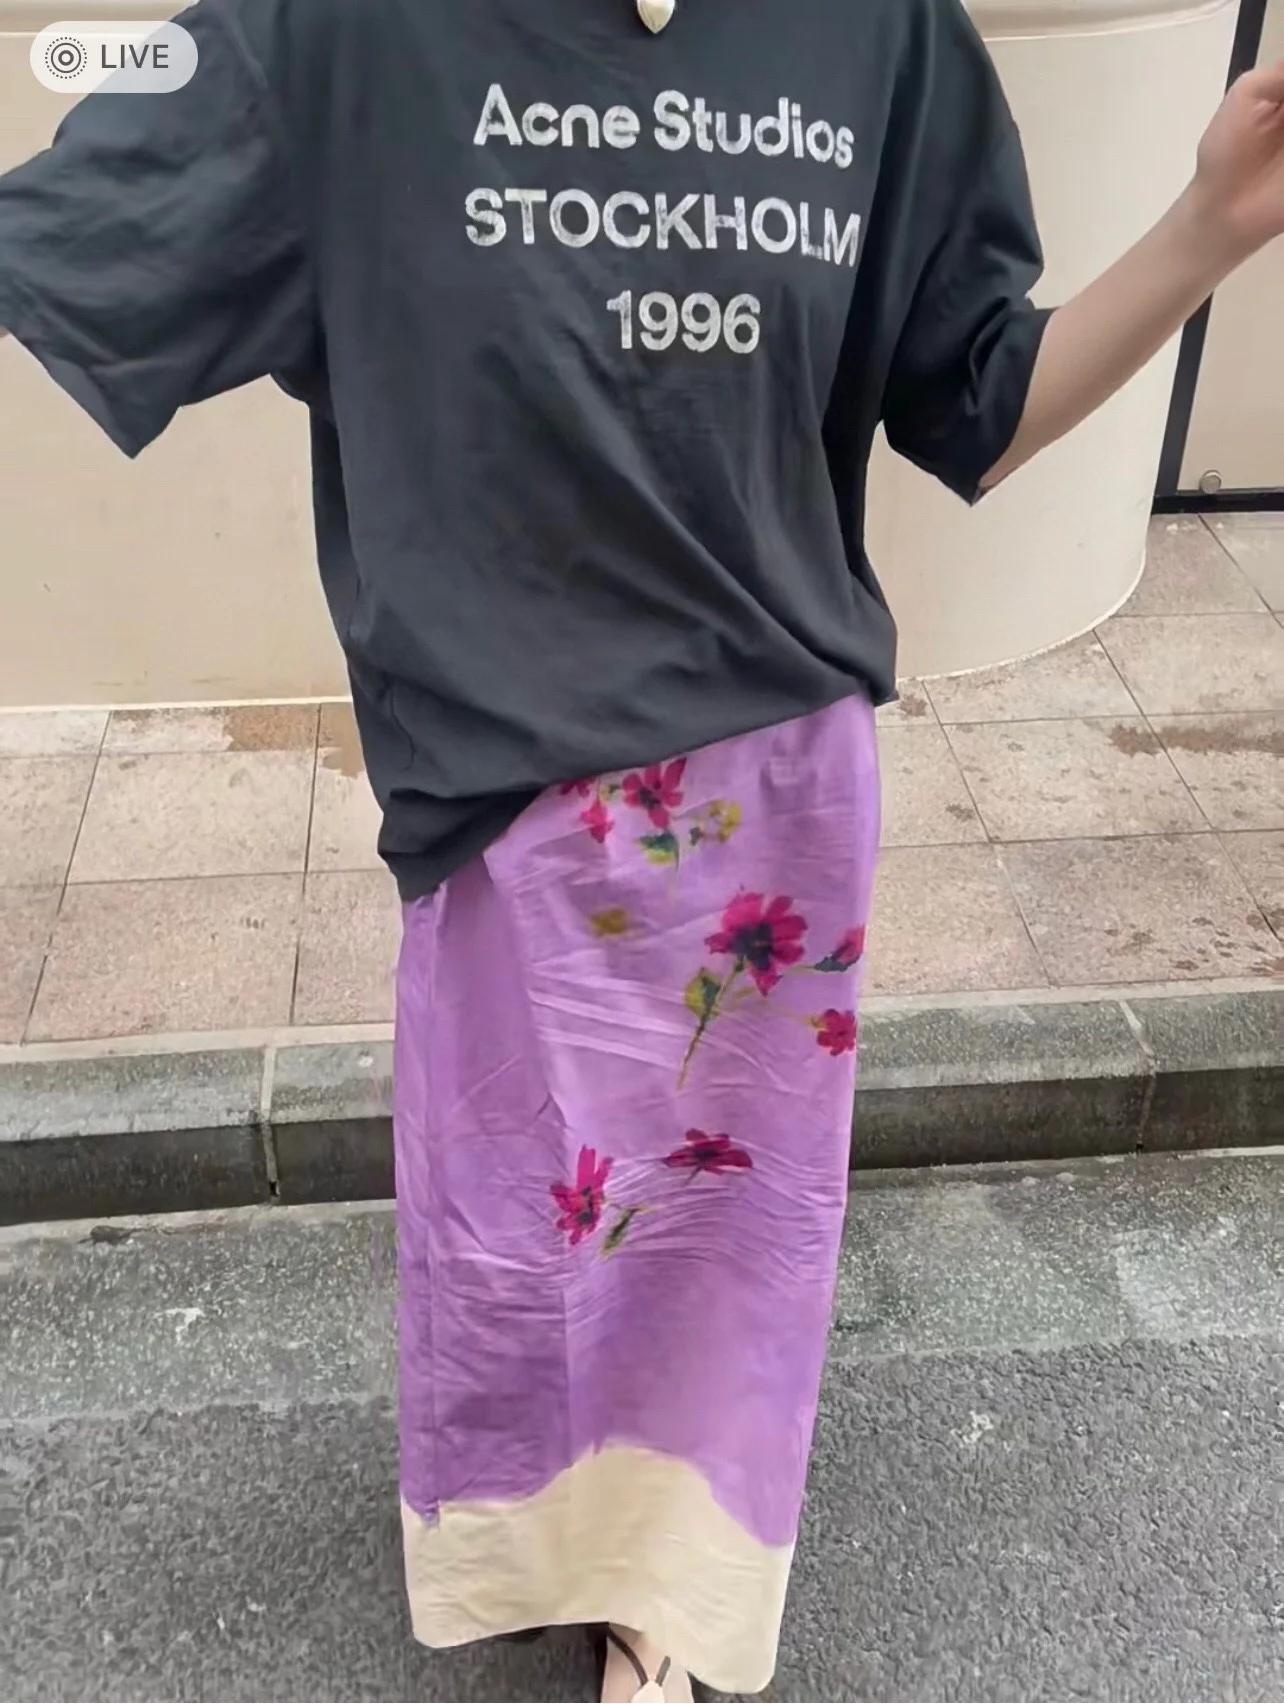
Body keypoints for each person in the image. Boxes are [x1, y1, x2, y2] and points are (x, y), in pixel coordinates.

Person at [2, 1, 1283, 1695]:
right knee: (509, 1228)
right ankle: (537, 1547)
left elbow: (977, 395)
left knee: (721, 1247)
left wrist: (1213, 221)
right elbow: (86, 216)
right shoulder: (351, 33)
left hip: (771, 807)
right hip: (507, 804)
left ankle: (666, 1607)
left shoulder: (877, 36)